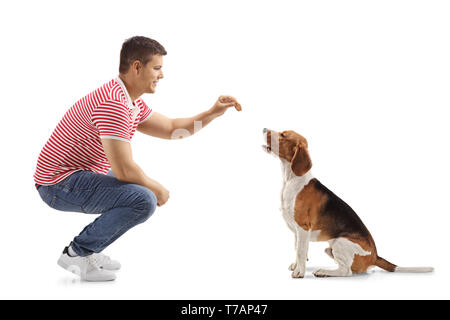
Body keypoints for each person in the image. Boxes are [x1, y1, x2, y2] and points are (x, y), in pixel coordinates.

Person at [34, 36, 240, 281]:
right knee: (143, 199)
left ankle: (88, 250)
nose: (161, 75)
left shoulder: (129, 101)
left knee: (140, 192)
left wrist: (212, 113)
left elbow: (174, 129)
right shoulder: (113, 104)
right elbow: (123, 170)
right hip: (57, 184)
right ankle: (77, 253)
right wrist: (157, 188)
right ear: (137, 67)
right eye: (157, 68)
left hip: (77, 176)